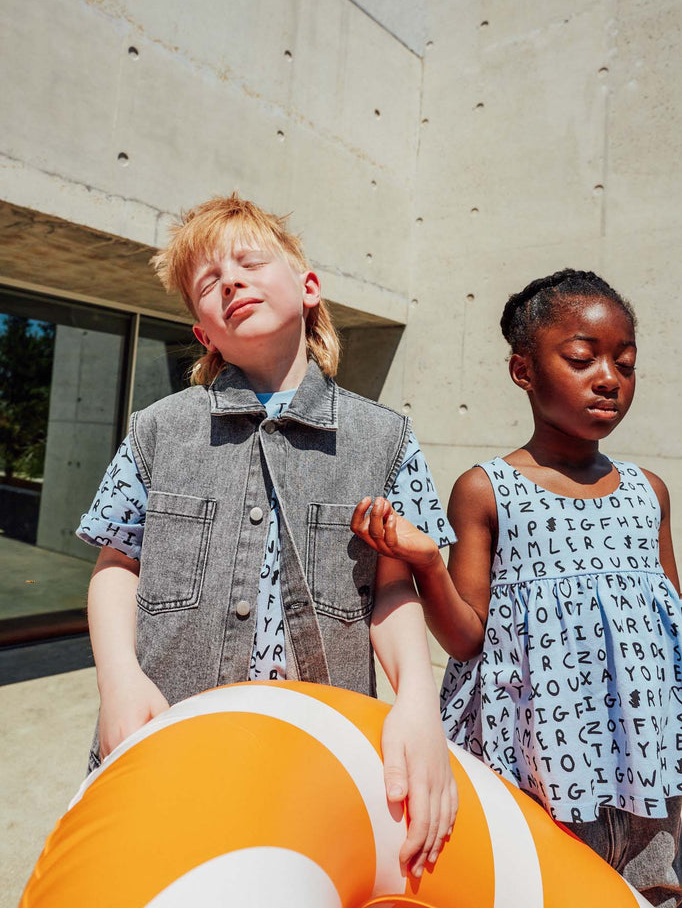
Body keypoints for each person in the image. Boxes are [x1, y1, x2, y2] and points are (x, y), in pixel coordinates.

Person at [77, 193, 457, 877]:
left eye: (249, 263)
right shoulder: (157, 430)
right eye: (209, 283)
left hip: (317, 750)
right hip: (167, 733)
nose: (231, 282)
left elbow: (391, 594)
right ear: (203, 333)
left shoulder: (386, 439)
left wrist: (418, 707)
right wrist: (118, 681)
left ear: (309, 289)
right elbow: (115, 565)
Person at [352, 269, 682, 905]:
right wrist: (427, 564)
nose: (609, 379)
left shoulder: (650, 493)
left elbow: (669, 633)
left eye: (626, 363)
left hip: (651, 776)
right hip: (540, 771)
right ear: (523, 371)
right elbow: (467, 636)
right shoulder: (486, 490)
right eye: (583, 360)